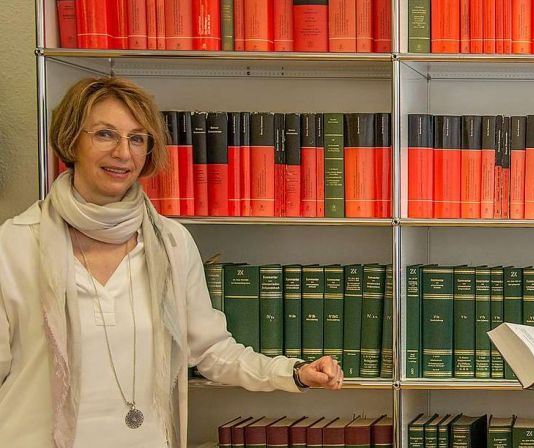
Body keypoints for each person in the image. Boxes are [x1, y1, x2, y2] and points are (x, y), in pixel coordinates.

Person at [0, 77, 344, 448]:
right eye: (104, 134)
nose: (123, 153)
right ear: (71, 141)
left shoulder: (171, 243)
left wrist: (292, 373)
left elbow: (212, 352)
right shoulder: (15, 243)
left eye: (137, 139)